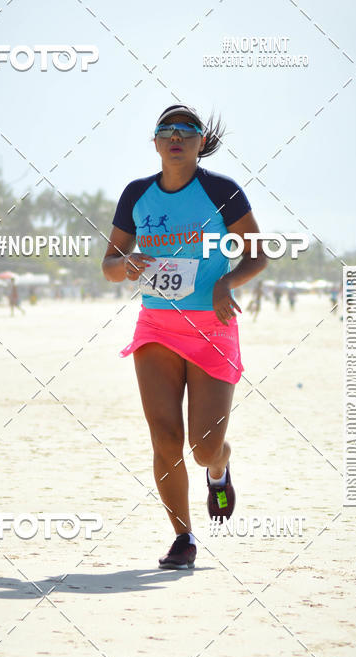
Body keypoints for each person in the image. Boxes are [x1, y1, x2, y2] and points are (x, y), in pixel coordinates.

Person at [102, 104, 266, 570]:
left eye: (186, 131)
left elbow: (258, 256)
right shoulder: (137, 195)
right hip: (156, 328)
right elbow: (109, 264)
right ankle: (183, 537)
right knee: (165, 439)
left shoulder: (222, 192)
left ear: (199, 142)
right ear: (154, 143)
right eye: (166, 131)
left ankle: (220, 466)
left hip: (212, 327)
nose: (176, 136)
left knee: (203, 447)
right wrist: (124, 265)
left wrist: (224, 282)